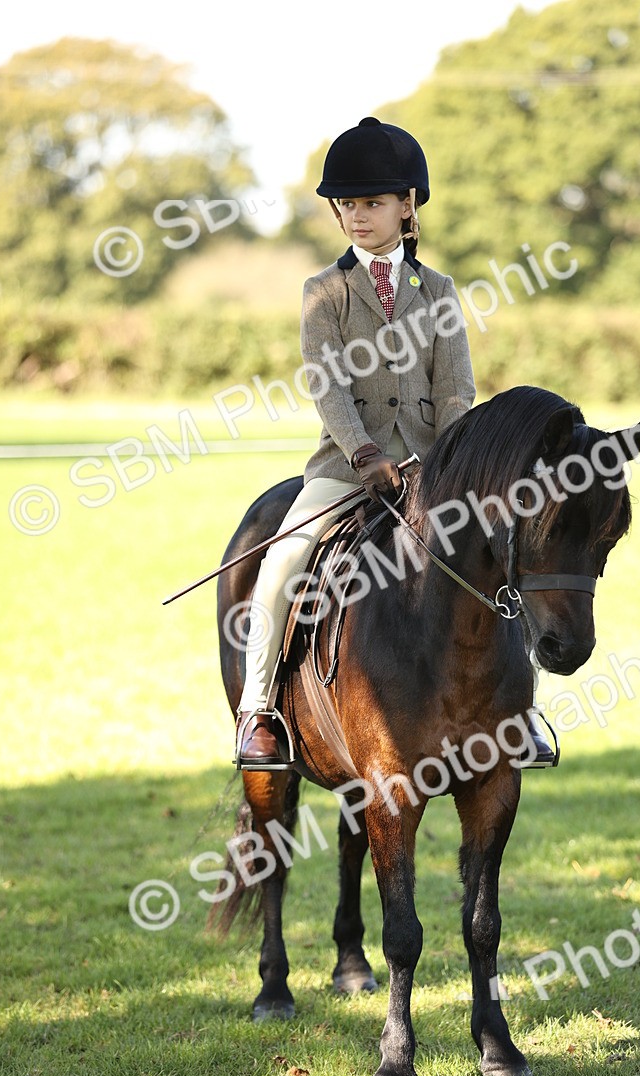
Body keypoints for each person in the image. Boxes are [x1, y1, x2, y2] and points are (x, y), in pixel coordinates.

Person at [234, 116, 554, 769]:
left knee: (504, 559)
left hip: (432, 473)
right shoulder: (323, 292)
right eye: (346, 204)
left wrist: (447, 465)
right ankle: (258, 711)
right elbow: (327, 384)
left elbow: (458, 390)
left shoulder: (438, 292)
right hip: (344, 471)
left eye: (372, 203)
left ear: (406, 205)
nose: (356, 216)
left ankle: (521, 715)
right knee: (279, 567)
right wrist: (364, 455)